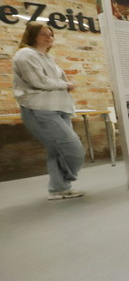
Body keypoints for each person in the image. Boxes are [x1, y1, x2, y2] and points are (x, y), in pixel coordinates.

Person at [12, 22, 85, 200]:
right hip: (41, 109)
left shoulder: (46, 57)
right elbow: (38, 81)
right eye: (43, 34)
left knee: (56, 150)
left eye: (51, 34)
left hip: (59, 108)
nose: (49, 37)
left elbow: (48, 82)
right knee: (73, 148)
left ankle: (58, 188)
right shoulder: (25, 54)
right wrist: (66, 85)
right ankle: (66, 179)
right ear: (32, 36)